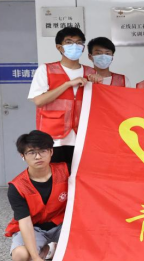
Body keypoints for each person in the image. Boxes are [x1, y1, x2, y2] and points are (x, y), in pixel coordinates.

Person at [28, 27, 96, 171]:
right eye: (69, 42)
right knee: (56, 175)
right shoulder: (46, 69)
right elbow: (39, 101)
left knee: (81, 175)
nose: (75, 46)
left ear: (83, 47)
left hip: (83, 134)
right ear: (59, 47)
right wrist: (67, 84)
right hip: (53, 136)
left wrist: (98, 83)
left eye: (79, 42)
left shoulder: (91, 73)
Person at [5, 130, 69, 261]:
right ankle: (44, 250)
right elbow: (25, 222)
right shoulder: (17, 186)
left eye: (43, 151)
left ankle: (57, 246)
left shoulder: (66, 171)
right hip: (35, 228)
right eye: (32, 152)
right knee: (19, 257)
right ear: (23, 156)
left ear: (51, 152)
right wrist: (35, 257)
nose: (38, 156)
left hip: (62, 224)